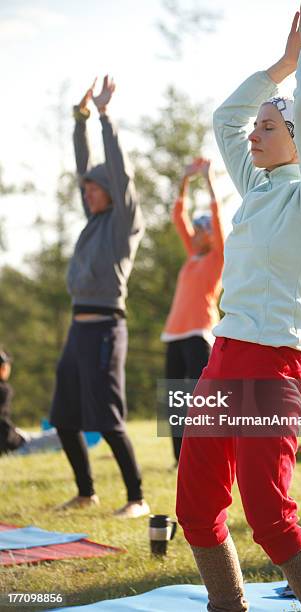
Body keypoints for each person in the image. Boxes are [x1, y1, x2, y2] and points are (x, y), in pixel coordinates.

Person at [176, 1, 301, 611]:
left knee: (270, 518)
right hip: (223, 358)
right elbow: (228, 117)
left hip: (274, 364)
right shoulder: (257, 188)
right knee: (195, 508)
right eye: (259, 128)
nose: (254, 133)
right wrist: (280, 63)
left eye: (268, 127)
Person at [49, 76, 150, 519]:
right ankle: (87, 492)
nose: (85, 192)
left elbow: (118, 170)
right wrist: (80, 120)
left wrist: (106, 118)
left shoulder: (121, 222)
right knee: (65, 418)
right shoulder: (93, 218)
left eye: (93, 188)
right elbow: (84, 167)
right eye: (85, 188)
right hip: (77, 330)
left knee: (108, 419)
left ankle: (137, 498)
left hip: (107, 328)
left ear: (111, 191)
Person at [162, 158, 224, 463]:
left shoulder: (217, 258)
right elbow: (178, 216)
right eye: (196, 230)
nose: (196, 234)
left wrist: (208, 179)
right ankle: (180, 459)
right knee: (175, 401)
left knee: (203, 400)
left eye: (202, 230)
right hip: (174, 333)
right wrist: (185, 180)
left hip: (200, 333)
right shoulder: (192, 256)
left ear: (211, 235)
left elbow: (217, 215)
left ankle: (208, 451)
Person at [0, 350, 61, 455]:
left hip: (13, 438)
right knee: (60, 437)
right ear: (3, 368)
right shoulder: (3, 390)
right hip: (12, 446)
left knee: (32, 435)